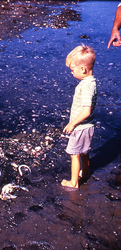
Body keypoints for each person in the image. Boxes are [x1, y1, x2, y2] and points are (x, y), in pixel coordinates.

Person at [61, 45, 97, 189]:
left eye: (72, 69)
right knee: (83, 151)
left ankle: (74, 182)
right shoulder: (91, 82)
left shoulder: (86, 87)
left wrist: (72, 124)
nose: (71, 73)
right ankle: (86, 172)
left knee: (74, 154)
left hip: (81, 126)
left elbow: (86, 111)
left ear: (83, 69)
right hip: (88, 126)